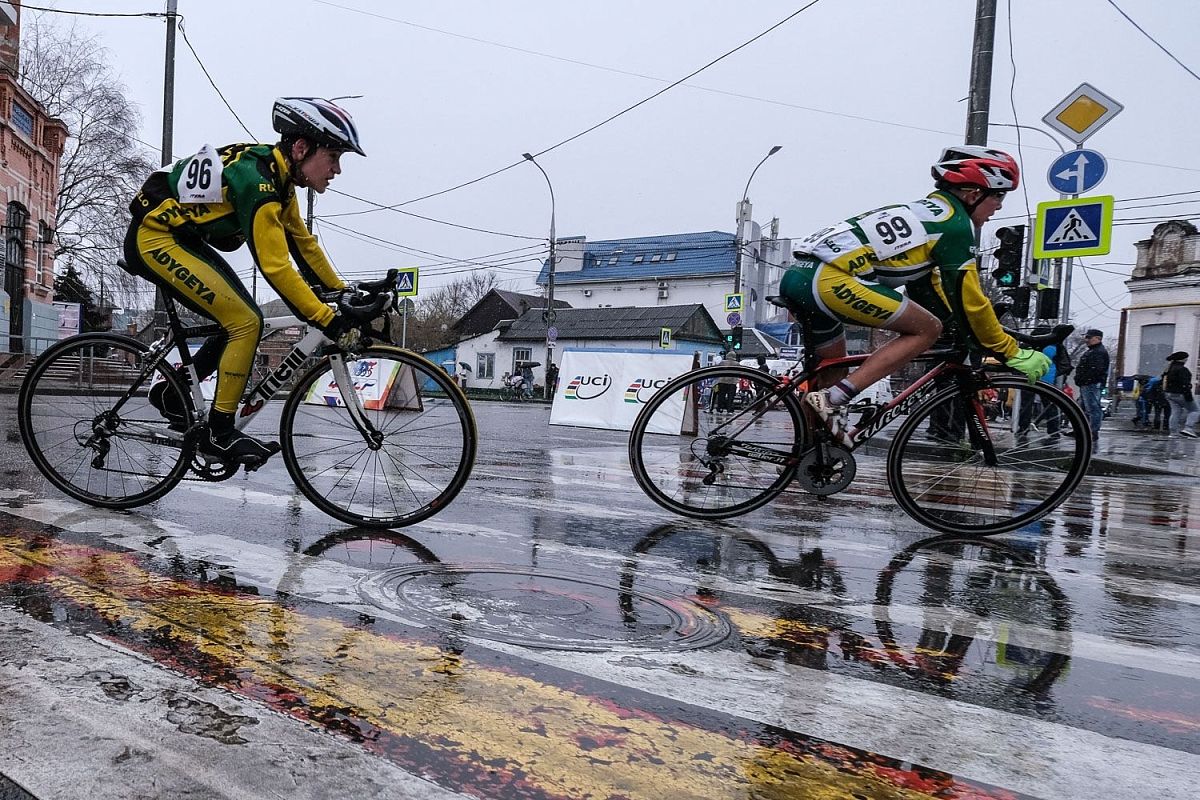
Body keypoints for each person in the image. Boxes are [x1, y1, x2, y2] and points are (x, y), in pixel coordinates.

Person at [124, 97, 365, 464]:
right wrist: (326, 318)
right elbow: (276, 267)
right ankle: (220, 434)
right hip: (154, 237)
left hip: (182, 237)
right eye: (333, 157)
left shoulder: (279, 180)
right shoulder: (259, 182)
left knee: (236, 315)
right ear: (302, 148)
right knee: (246, 321)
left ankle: (172, 395)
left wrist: (345, 293)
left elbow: (304, 246)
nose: (337, 169)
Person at [779, 145, 1049, 439]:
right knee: (927, 330)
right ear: (974, 194)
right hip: (828, 279)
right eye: (998, 195)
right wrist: (1009, 350)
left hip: (802, 275)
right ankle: (831, 400)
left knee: (831, 375)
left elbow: (925, 287)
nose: (998, 206)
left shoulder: (927, 212)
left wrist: (956, 324)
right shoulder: (955, 225)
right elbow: (970, 300)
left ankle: (807, 452)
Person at [1074, 329, 1109, 444]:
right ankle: (1084, 430)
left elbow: (1096, 370)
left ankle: (1091, 431)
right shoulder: (1094, 351)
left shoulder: (1097, 352)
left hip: (1091, 384)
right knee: (1083, 408)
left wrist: (1084, 379)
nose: (1086, 340)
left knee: (1092, 408)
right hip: (1088, 383)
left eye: (1089, 338)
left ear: (1097, 338)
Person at [1163, 351, 1200, 438]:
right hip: (1180, 394)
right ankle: (1188, 428)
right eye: (1186, 358)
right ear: (1183, 359)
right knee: (1195, 410)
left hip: (1169, 393)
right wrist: (1189, 396)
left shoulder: (1169, 369)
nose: (1187, 359)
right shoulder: (1182, 369)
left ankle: (1173, 432)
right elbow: (1185, 384)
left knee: (1176, 412)